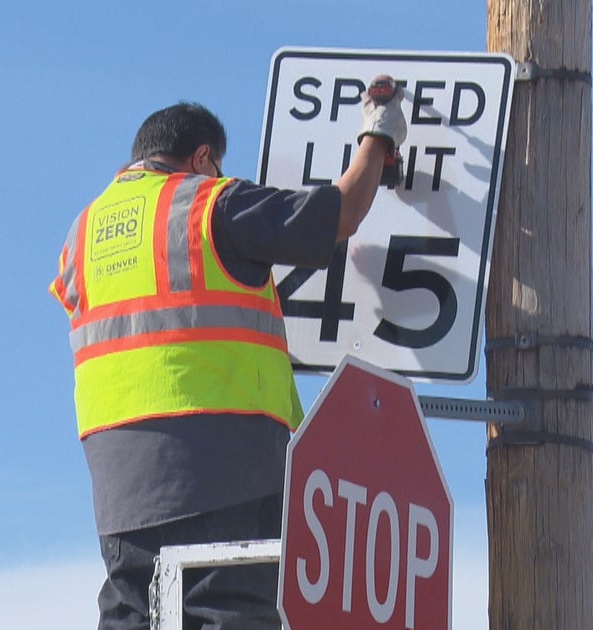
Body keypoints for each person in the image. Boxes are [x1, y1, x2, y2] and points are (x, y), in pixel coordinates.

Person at [50, 80, 407, 630]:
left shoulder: (82, 234)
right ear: (202, 157)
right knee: (229, 611)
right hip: (225, 471)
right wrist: (378, 136)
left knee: (132, 614)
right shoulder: (208, 202)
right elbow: (339, 213)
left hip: (120, 492)